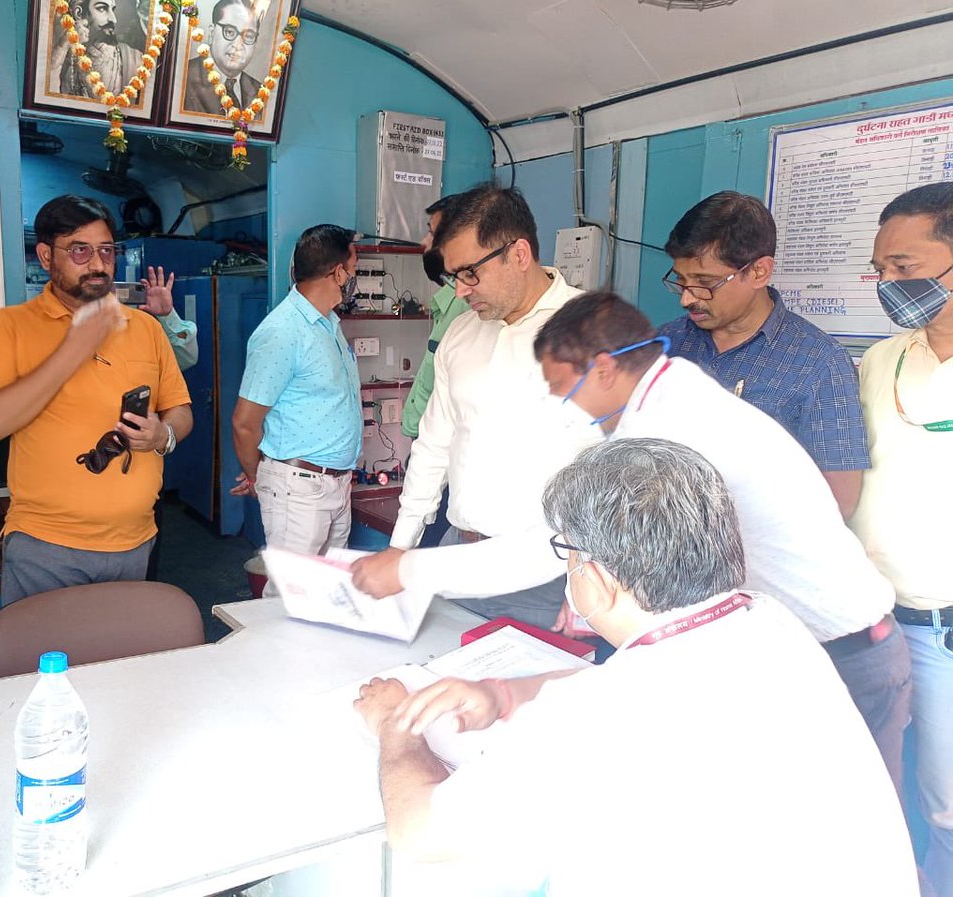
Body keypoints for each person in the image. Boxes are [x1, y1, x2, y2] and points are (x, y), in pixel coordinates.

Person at [357, 292, 911, 793]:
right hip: (803, 648)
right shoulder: (675, 394)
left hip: (840, 656)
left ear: (602, 369)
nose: (566, 408)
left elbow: (543, 547)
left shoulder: (667, 432)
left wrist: (409, 570)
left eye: (562, 390)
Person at [355, 438, 919, 897]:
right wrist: (505, 696)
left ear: (595, 580)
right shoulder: (766, 621)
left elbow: (417, 832)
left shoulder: (598, 717)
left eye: (567, 555)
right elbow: (666, 685)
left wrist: (395, 727)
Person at [356, 184, 599, 628]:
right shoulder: (461, 335)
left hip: (545, 575)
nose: (462, 291)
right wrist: (401, 545)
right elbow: (433, 445)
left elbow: (614, 469)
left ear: (519, 254)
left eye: (470, 273)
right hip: (457, 553)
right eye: (454, 276)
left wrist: (595, 580)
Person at [0, 195, 192, 606]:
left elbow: (180, 409)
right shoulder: (8, 327)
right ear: (45, 256)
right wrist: (76, 345)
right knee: (44, 664)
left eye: (106, 250)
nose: (97, 263)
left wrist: (164, 435)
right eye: (79, 250)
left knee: (119, 663)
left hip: (135, 541)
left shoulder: (144, 327)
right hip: (46, 547)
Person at [854, 182, 953, 897]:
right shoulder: (881, 359)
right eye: (881, 268)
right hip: (873, 621)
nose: (890, 283)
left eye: (906, 265)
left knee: (948, 802)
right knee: (872, 784)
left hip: (947, 632)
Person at [658, 191, 869, 518]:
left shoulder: (819, 363)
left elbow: (838, 500)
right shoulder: (665, 343)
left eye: (704, 282)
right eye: (681, 281)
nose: (687, 299)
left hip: (752, 560)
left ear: (759, 272)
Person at [230, 225, 361, 597]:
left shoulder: (329, 325)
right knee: (290, 597)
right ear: (337, 272)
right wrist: (261, 478)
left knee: (328, 592)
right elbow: (244, 423)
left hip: (336, 484)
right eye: (353, 270)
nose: (354, 280)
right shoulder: (283, 332)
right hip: (299, 489)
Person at [400, 194, 470, 439]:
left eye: (431, 233)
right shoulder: (449, 304)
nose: (424, 242)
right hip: (428, 442)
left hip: (443, 447)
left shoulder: (466, 308)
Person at [183, 0, 262, 115]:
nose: (238, 45)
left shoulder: (260, 92)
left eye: (249, 36)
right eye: (229, 32)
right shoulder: (183, 77)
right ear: (211, 33)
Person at [59, 0, 145, 98]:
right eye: (102, 8)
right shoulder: (65, 57)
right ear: (79, 13)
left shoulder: (135, 59)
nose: (113, 19)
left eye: (113, 9)